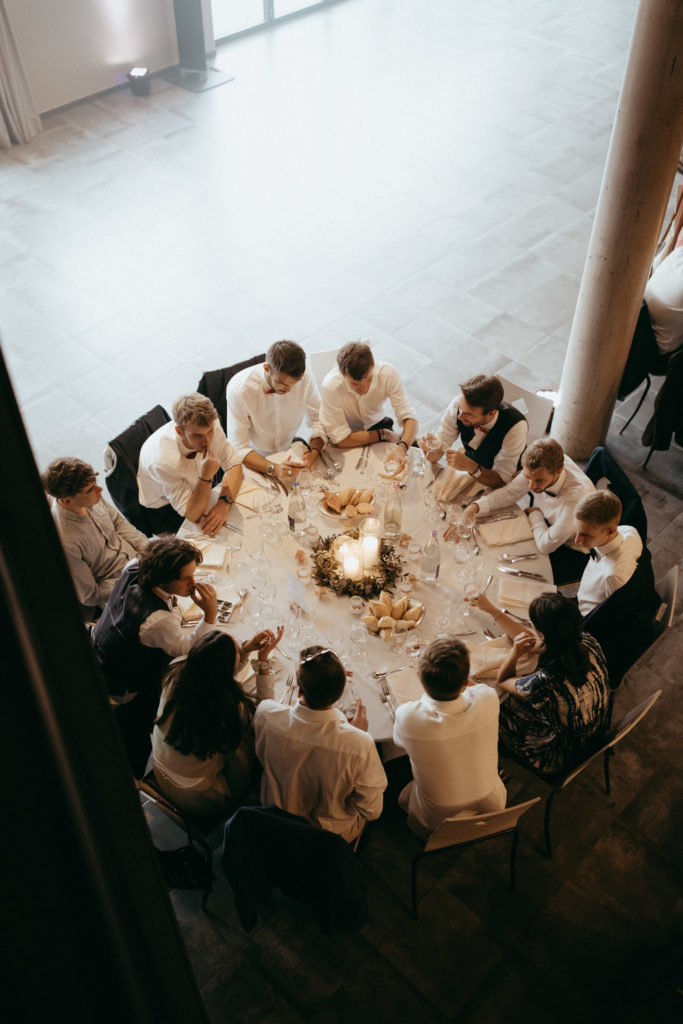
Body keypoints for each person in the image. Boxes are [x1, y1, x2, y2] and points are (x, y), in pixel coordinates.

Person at [91, 537, 218, 776]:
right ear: (164, 578)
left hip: (101, 646)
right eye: (186, 578)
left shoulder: (134, 567)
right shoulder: (156, 620)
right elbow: (186, 649)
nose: (194, 582)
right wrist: (209, 616)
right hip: (122, 683)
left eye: (193, 574)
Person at [253, 645, 386, 843]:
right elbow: (371, 811)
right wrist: (357, 734)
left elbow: (264, 706)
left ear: (299, 692)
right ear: (340, 693)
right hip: (326, 841)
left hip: (272, 822)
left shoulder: (266, 715)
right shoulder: (360, 745)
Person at [152, 628, 282, 816]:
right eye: (237, 653)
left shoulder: (174, 677)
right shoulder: (228, 708)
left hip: (160, 770)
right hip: (198, 797)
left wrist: (245, 649)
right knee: (252, 742)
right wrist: (263, 665)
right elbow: (264, 713)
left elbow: (213, 672)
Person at [392, 637, 506, 839]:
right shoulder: (488, 697)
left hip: (436, 820)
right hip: (492, 805)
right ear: (465, 682)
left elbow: (399, 745)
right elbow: (477, 689)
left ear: (418, 677)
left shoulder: (408, 716)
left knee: (401, 792)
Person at [494, 593, 610, 778]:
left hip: (561, 753)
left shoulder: (545, 681)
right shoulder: (587, 640)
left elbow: (502, 680)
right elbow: (541, 646)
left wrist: (515, 652)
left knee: (499, 705)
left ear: (541, 634)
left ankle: (501, 750)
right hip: (596, 729)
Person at [459, 438, 595, 584]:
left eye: (539, 481)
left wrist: (535, 514)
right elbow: (510, 493)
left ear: (558, 472)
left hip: (572, 550)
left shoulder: (577, 497)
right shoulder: (540, 470)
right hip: (547, 526)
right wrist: (474, 507)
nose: (531, 486)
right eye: (527, 477)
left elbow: (546, 546)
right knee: (494, 550)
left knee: (505, 575)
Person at [42, 456, 148, 612]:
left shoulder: (90, 496)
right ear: (66, 501)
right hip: (123, 589)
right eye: (90, 489)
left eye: (95, 483)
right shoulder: (67, 543)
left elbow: (117, 522)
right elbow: (91, 595)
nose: (100, 490)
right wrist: (136, 576)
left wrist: (150, 550)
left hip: (141, 562)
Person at [138, 393, 243, 536]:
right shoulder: (162, 461)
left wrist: (224, 503)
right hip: (164, 507)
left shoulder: (211, 424)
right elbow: (192, 514)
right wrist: (206, 476)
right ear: (179, 431)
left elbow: (234, 464)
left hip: (199, 482)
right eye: (197, 435)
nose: (207, 441)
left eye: (210, 432)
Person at [227, 340, 325, 480]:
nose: (289, 390)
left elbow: (319, 419)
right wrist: (274, 468)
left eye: (293, 384)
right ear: (267, 368)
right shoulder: (239, 391)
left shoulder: (305, 377)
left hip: (289, 449)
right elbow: (238, 449)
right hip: (256, 459)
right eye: (282, 383)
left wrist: (314, 452)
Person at [420, 374, 527, 489]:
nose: (460, 416)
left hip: (500, 475)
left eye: (468, 414)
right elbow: (438, 452)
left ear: (491, 413)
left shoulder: (515, 428)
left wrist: (472, 468)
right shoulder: (459, 405)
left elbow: (500, 481)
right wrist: (430, 449)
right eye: (461, 409)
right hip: (471, 460)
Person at [318, 342, 418, 453]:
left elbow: (408, 416)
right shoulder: (331, 387)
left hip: (376, 423)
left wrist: (403, 447)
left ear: (373, 365)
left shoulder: (388, 374)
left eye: (369, 379)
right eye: (355, 384)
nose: (364, 388)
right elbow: (340, 438)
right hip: (348, 434)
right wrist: (383, 434)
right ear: (342, 373)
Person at [574, 491, 643, 616]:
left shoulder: (612, 577)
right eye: (577, 531)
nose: (577, 540)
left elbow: (616, 613)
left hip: (587, 616)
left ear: (611, 531)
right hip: (582, 597)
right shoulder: (629, 530)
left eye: (585, 535)